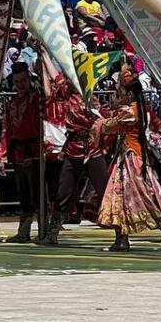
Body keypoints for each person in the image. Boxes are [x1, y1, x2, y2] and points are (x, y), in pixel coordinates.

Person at [97, 62, 161, 252]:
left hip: (132, 157)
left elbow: (111, 126)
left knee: (140, 195)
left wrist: (99, 122)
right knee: (117, 197)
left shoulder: (131, 110)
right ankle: (121, 239)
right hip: (125, 155)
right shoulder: (138, 107)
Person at [51, 72, 108, 233]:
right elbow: (55, 76)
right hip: (73, 148)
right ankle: (53, 229)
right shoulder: (67, 93)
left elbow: (103, 119)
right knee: (63, 191)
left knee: (104, 190)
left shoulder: (90, 98)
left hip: (92, 148)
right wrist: (43, 51)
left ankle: (121, 234)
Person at [0, 61, 46, 243]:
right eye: (17, 81)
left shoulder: (36, 99)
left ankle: (44, 230)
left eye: (23, 80)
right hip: (18, 152)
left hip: (34, 151)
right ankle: (24, 231)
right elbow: (6, 131)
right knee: (23, 194)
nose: (20, 84)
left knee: (38, 193)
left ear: (29, 79)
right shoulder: (11, 104)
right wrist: (2, 156)